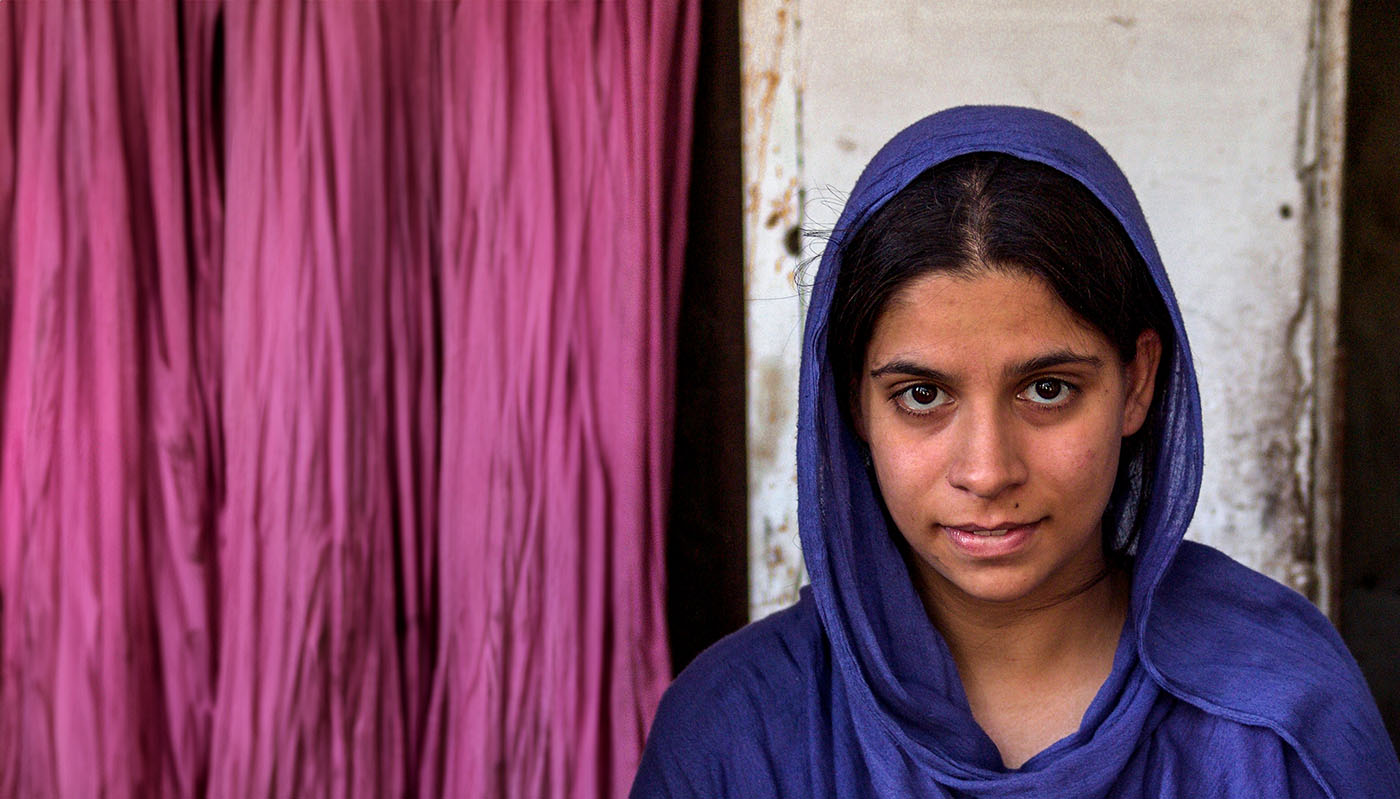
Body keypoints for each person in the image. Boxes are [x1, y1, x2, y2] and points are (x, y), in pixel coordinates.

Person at [630, 106, 1400, 797]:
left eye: (1048, 389)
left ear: (1137, 382)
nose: (989, 471)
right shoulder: (738, 735)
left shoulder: (1280, 723)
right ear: (851, 405)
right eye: (922, 396)